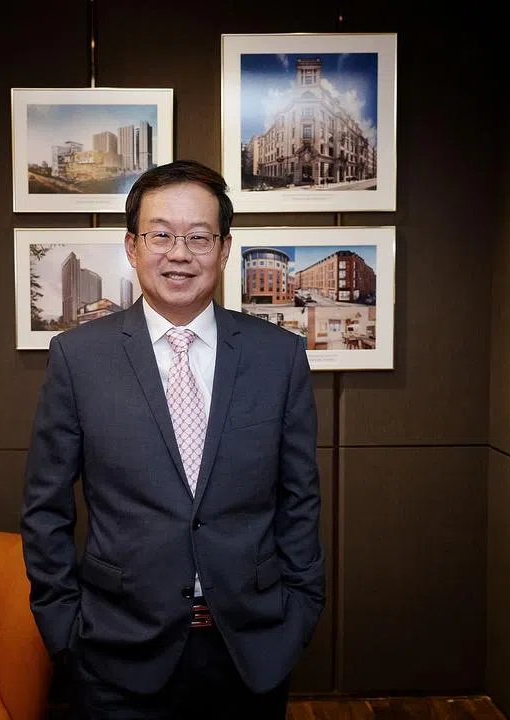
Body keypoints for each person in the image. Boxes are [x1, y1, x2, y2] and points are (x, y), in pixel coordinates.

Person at [20, 159, 324, 719]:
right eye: (160, 235)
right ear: (132, 246)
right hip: (116, 650)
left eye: (199, 237)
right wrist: (64, 627)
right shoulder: (79, 358)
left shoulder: (277, 357)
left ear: (224, 249)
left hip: (249, 649)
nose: (179, 254)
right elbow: (46, 508)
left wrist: (300, 610)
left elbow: (299, 498)